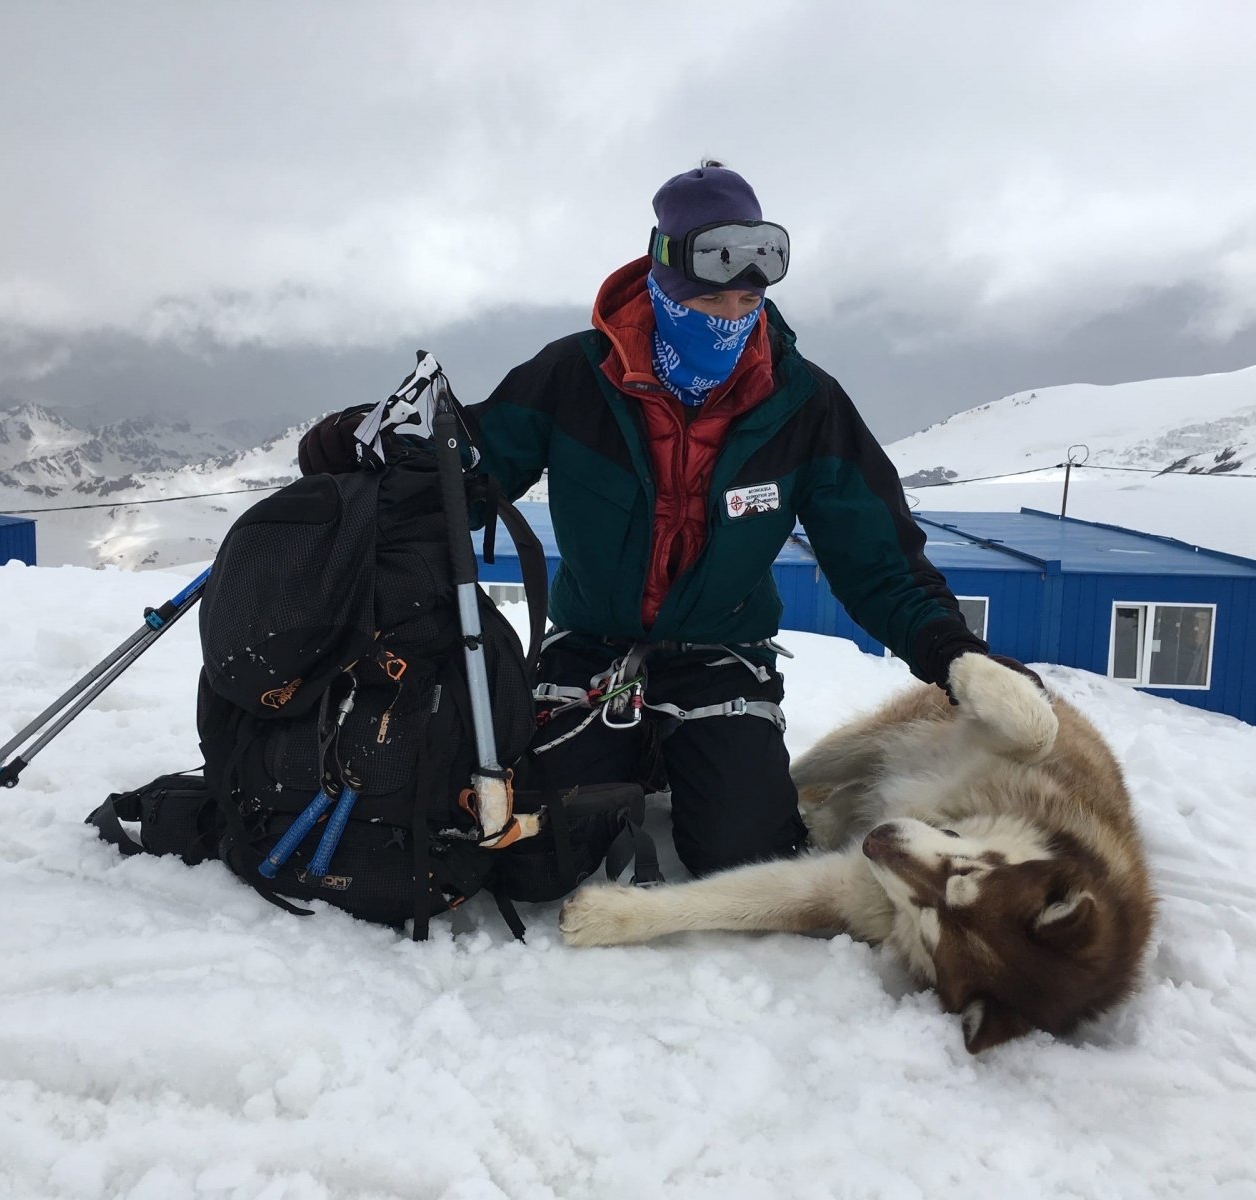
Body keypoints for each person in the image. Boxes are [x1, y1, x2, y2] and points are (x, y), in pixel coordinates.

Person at [302, 163, 1040, 879]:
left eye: (750, 298)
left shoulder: (804, 405)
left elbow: (876, 559)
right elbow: (471, 472)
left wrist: (951, 652)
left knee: (742, 855)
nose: (735, 315)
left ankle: (694, 742)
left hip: (722, 652)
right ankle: (639, 743)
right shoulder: (576, 375)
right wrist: (368, 455)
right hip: (591, 650)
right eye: (714, 300)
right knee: (539, 850)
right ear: (664, 281)